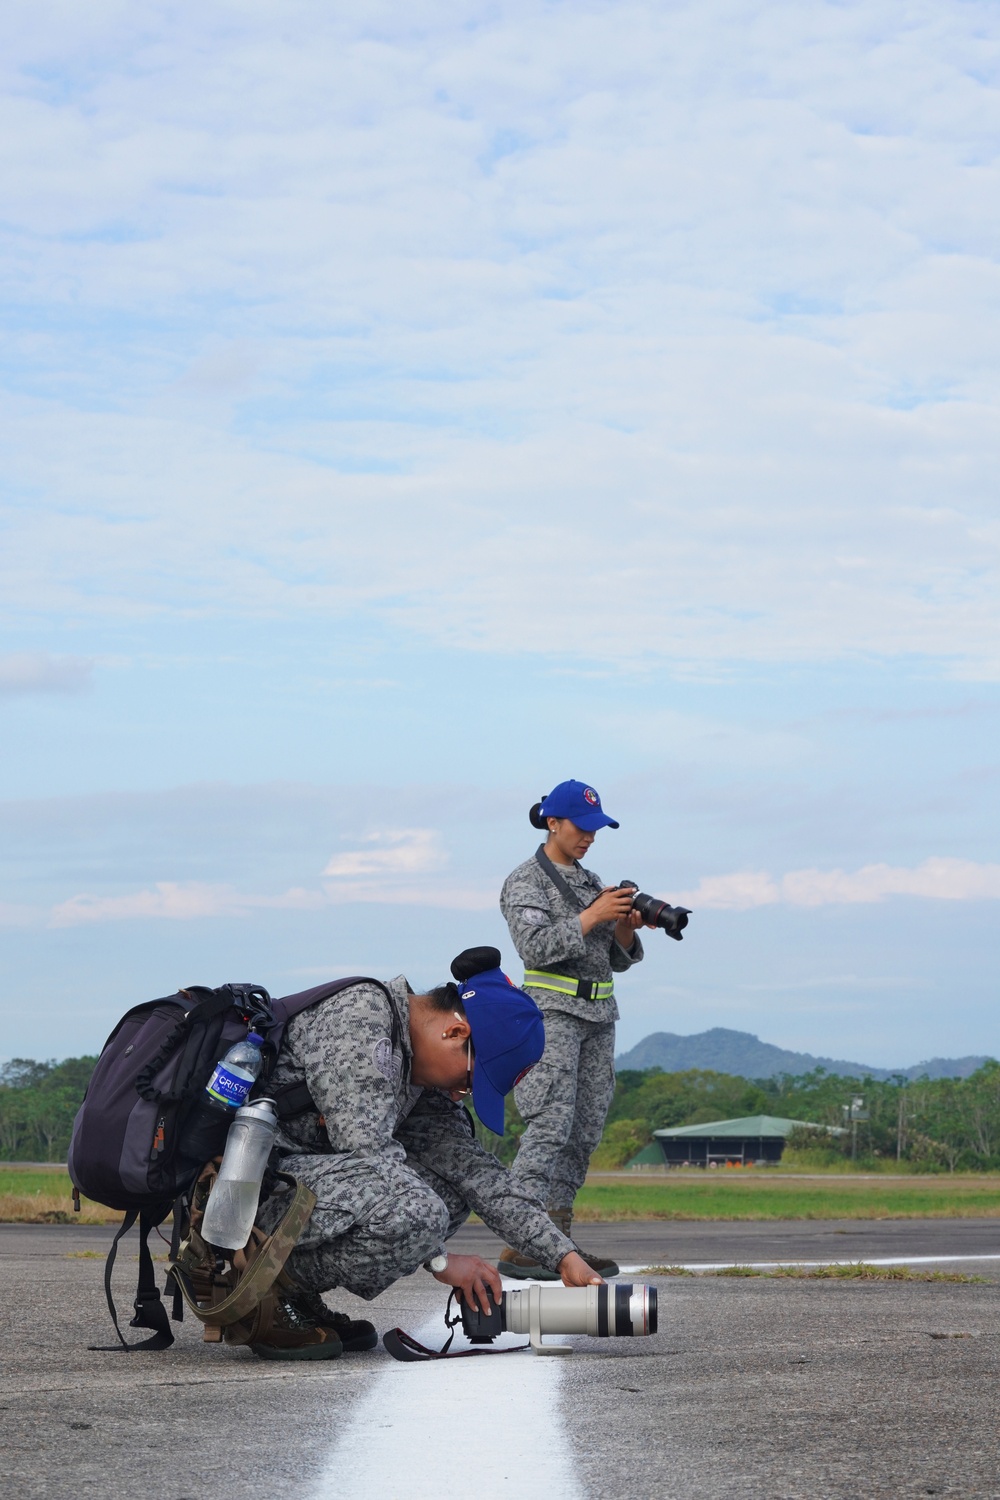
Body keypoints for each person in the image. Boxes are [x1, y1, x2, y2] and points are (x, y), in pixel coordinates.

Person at [243, 948, 601, 1360]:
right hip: (253, 1191)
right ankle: (259, 1291)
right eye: (470, 1080)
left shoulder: (413, 1068)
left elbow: (476, 1172)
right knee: (416, 1209)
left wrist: (563, 1256)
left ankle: (295, 1293)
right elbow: (368, 1154)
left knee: (449, 1193)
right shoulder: (363, 1019)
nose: (458, 1094)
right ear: (455, 1033)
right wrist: (443, 1263)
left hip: (300, 1186)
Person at [498, 780, 650, 1279]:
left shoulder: (591, 882)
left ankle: (557, 1238)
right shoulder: (525, 882)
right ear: (552, 822)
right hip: (551, 1016)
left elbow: (614, 960)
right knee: (549, 1125)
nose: (589, 837)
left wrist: (623, 925)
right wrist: (592, 916)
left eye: (596, 830)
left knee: (583, 1132)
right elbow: (536, 947)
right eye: (581, 828)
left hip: (599, 1017)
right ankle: (522, 1239)